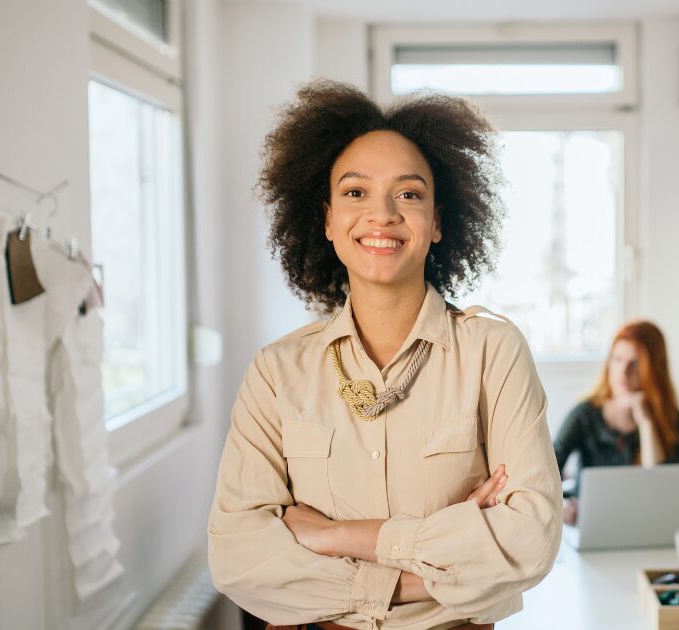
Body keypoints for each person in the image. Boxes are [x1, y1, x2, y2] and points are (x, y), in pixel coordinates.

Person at [206, 80, 562, 630]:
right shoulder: (277, 373)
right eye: (355, 193)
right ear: (325, 220)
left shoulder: (494, 351)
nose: (382, 214)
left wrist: (335, 536)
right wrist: (431, 573)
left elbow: (531, 539)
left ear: (438, 221)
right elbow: (237, 558)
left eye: (409, 193)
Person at [553, 321, 679, 525]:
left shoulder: (674, 421)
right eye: (617, 359)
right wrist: (559, 506)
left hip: (648, 528)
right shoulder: (584, 414)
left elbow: (664, 493)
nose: (623, 372)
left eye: (635, 363)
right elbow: (546, 469)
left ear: (654, 369)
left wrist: (646, 424)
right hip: (590, 527)